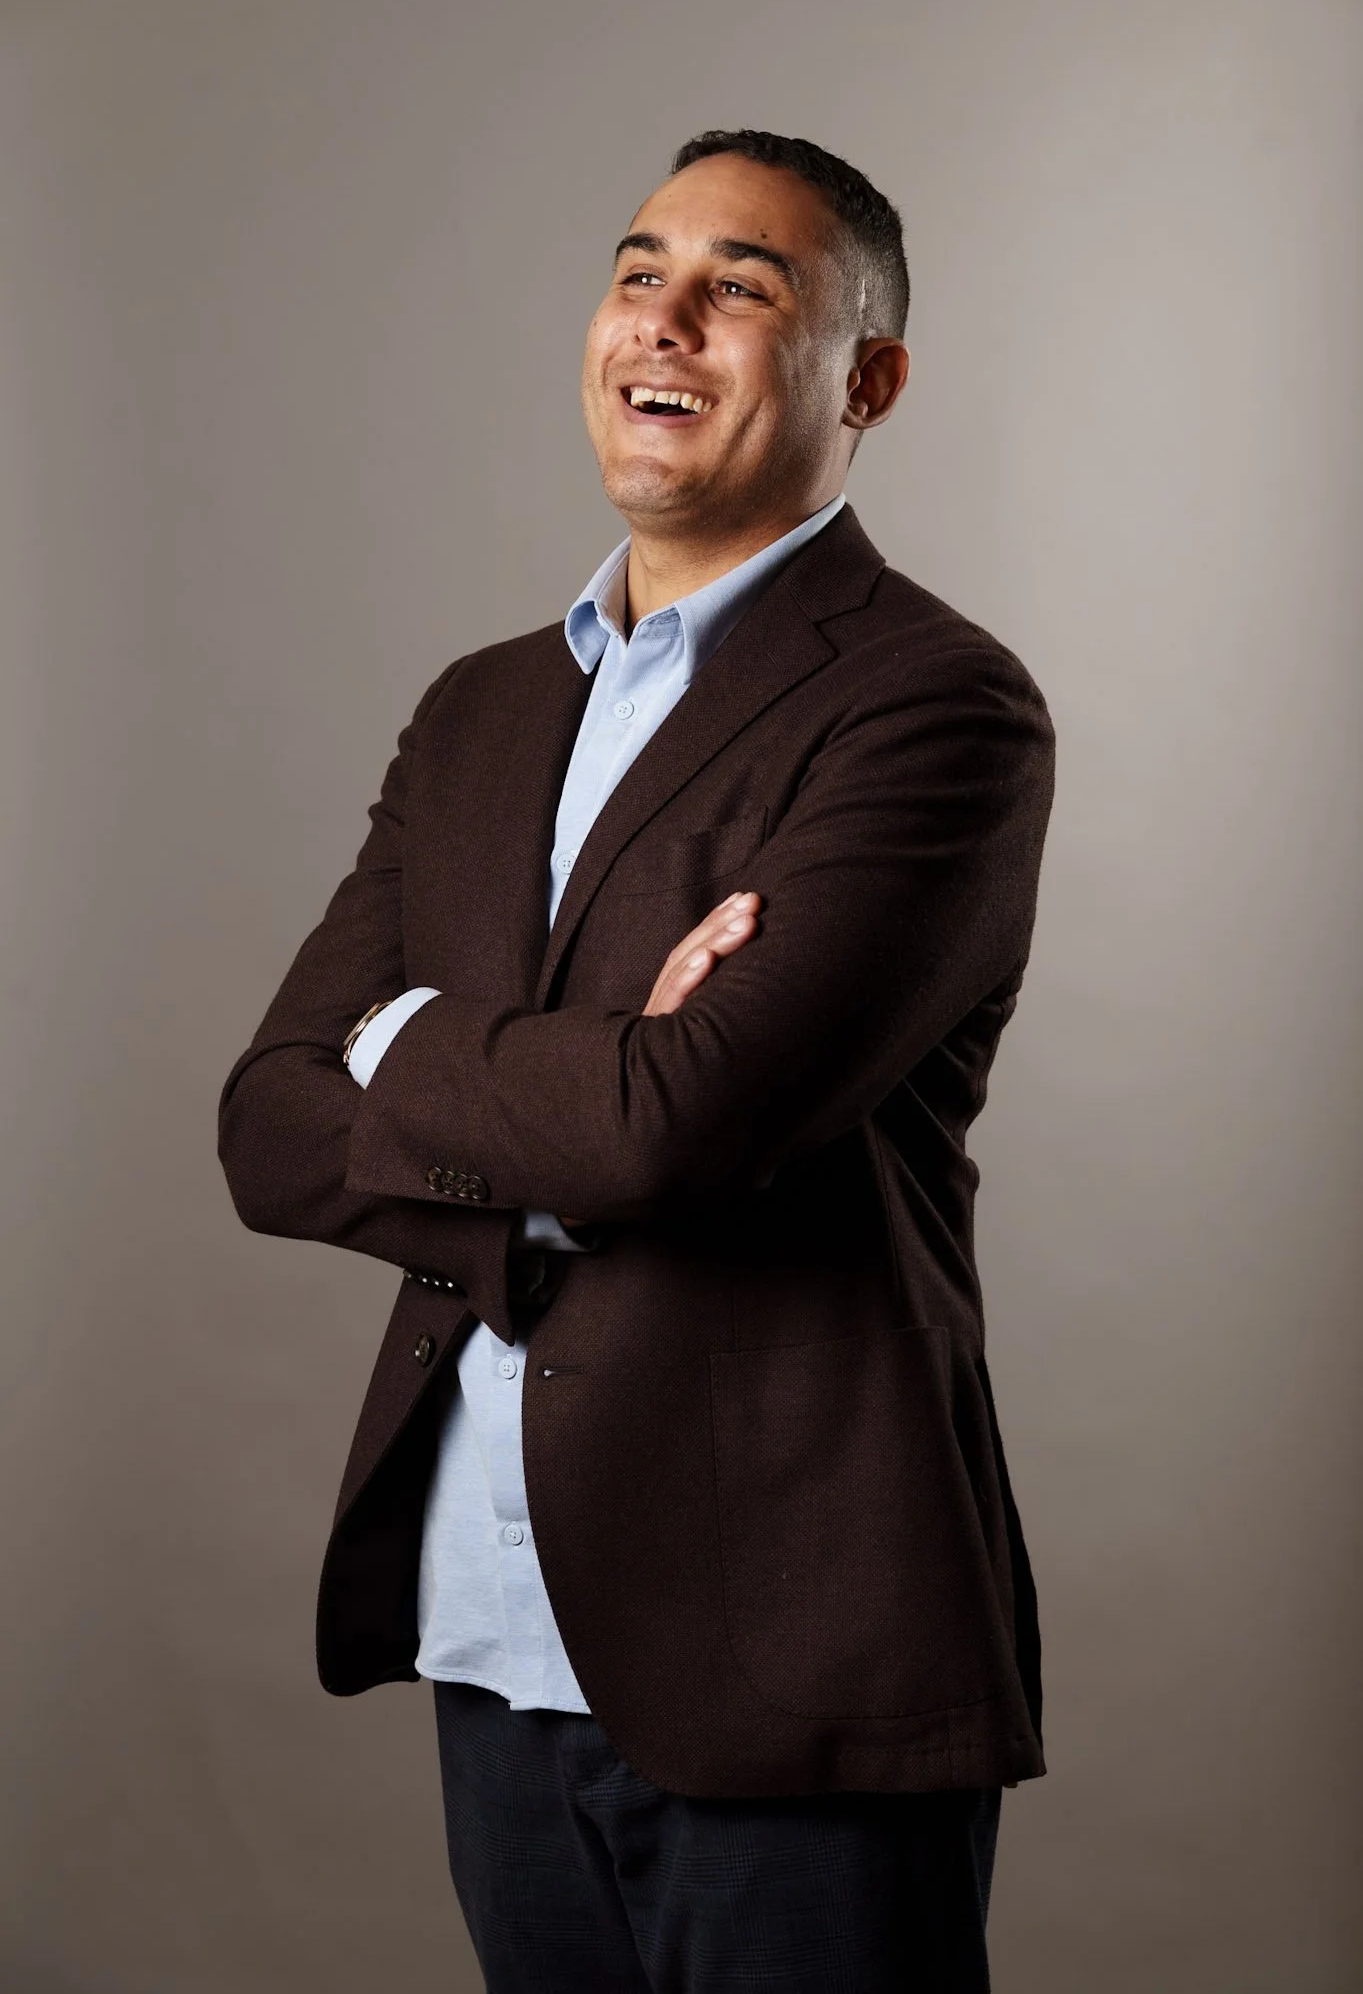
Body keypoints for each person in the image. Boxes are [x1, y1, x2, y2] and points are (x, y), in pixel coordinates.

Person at [218, 127, 1056, 1993]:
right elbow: (270, 1123)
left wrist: (412, 1041)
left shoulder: (934, 704)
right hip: (494, 1629)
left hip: (789, 1644)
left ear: (871, 380)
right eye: (637, 268)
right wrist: (561, 1089)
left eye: (742, 285)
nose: (662, 318)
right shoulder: (481, 709)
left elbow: (674, 1127)